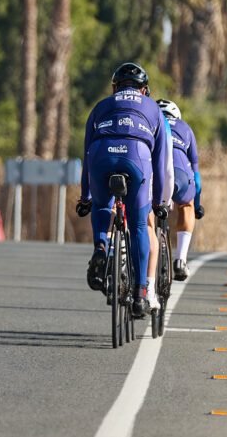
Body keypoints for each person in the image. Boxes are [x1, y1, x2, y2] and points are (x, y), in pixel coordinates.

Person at [77, 63, 172, 318]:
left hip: (101, 156)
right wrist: (159, 202)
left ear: (114, 87)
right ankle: (141, 294)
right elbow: (160, 162)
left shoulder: (101, 106)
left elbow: (86, 155)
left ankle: (100, 247)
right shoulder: (154, 110)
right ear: (144, 90)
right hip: (137, 158)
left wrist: (85, 197)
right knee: (140, 225)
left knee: (101, 206)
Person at [156, 99, 204, 280]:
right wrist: (197, 205)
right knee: (186, 205)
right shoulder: (186, 128)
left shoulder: (150, 120)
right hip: (180, 174)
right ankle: (180, 260)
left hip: (155, 172)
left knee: (146, 208)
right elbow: (197, 178)